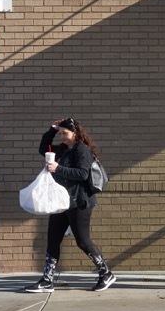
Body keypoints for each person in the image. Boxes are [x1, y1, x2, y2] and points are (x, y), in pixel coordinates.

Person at [24, 117, 117, 293]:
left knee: (83, 241)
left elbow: (82, 174)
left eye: (64, 133)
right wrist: (52, 129)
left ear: (75, 133)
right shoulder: (62, 150)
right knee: (53, 239)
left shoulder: (82, 150)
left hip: (80, 202)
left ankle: (106, 273)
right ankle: (47, 280)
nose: (61, 136)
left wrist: (58, 168)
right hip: (61, 202)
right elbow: (43, 149)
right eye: (60, 133)